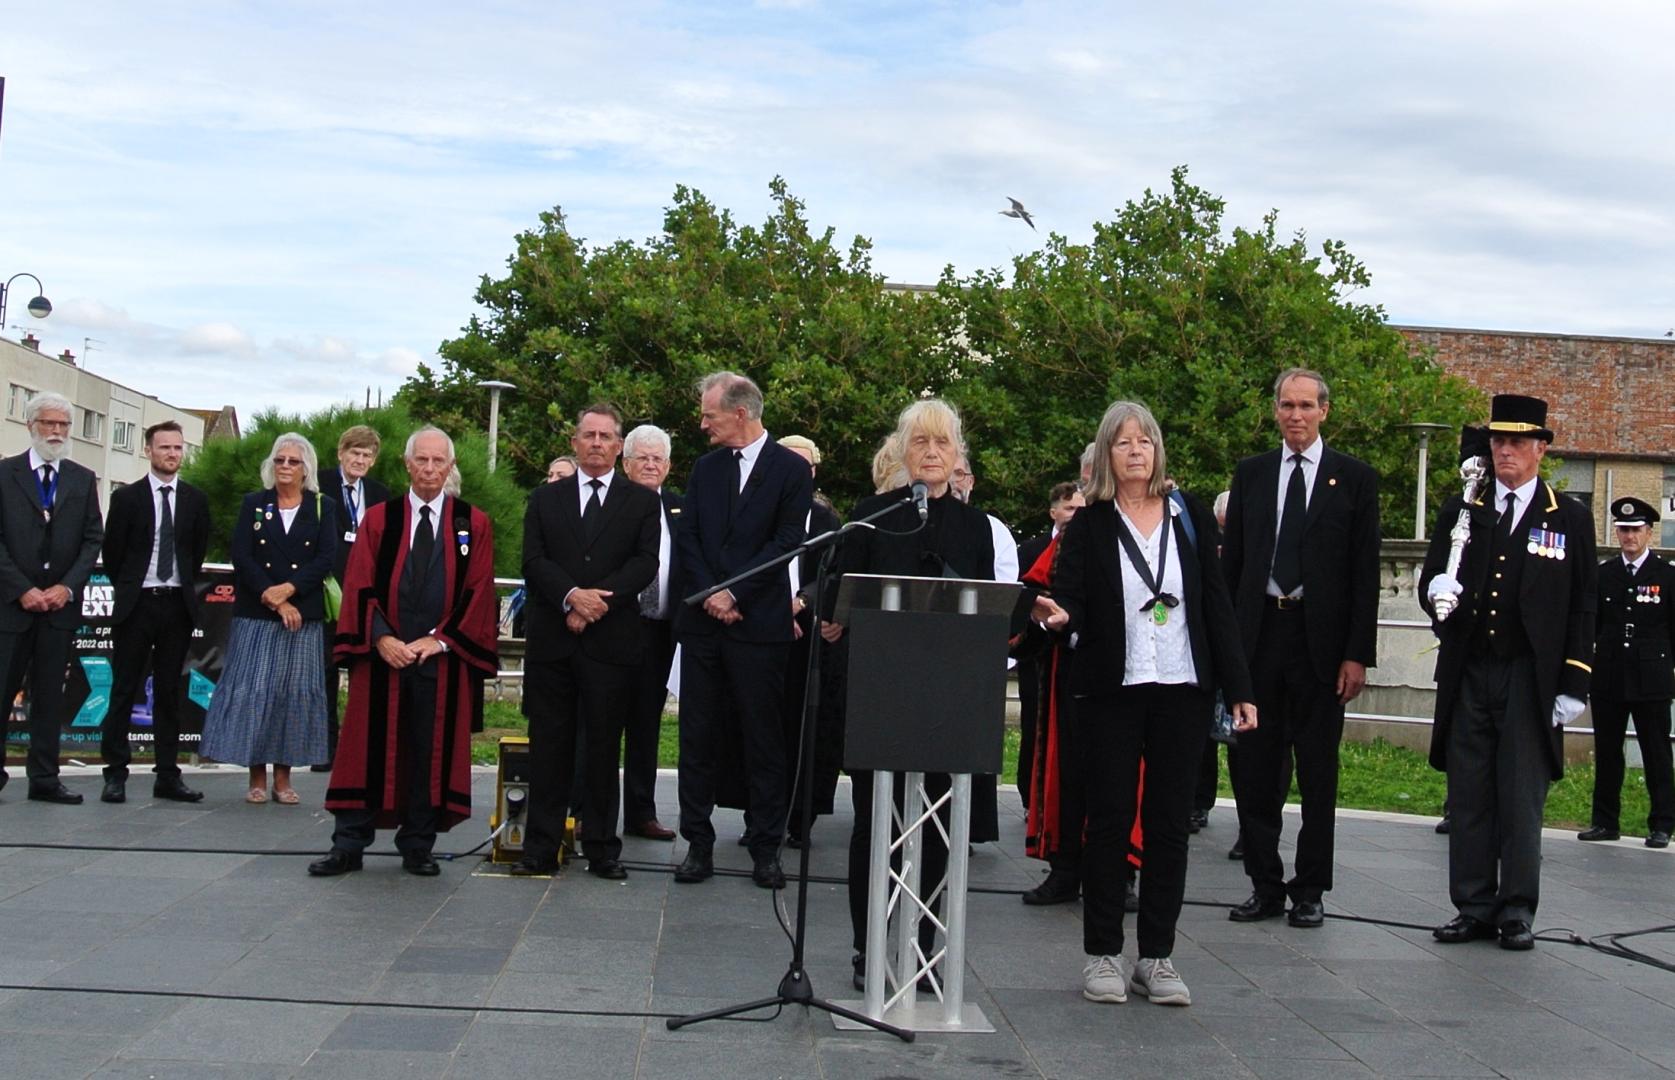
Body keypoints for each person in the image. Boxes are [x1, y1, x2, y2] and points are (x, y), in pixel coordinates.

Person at [1035, 401, 1255, 1007]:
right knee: (1107, 822)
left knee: (1168, 827)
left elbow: (1216, 607)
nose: (1136, 451)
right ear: (1106, 455)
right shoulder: (1089, 526)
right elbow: (1070, 598)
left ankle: (1156, 957)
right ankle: (1102, 953)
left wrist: (1239, 689)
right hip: (1114, 689)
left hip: (1181, 686)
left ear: (1158, 452)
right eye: (1124, 443)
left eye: (1146, 442)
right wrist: (1058, 616)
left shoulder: (1189, 518)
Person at [824, 398, 999, 990]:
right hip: (880, 693)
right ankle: (867, 947)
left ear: (958, 457)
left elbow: (985, 607)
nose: (931, 453)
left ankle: (924, 948)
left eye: (942, 444)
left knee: (939, 827)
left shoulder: (976, 526)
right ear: (902, 451)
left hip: (948, 697)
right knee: (875, 824)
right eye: (920, 443)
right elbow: (836, 599)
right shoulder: (873, 516)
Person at [1422, 395, 1596, 951]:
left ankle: (1517, 908)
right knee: (1469, 791)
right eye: (1498, 440)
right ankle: (1473, 905)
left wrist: (1574, 681)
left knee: (1521, 796)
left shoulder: (1566, 516)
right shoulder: (1463, 510)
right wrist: (1436, 594)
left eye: (1518, 441)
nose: (1505, 450)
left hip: (1529, 674)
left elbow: (1583, 605)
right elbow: (1435, 580)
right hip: (1472, 668)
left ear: (1541, 449)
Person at [1221, 368, 1380, 929]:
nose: (1296, 415)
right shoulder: (1253, 474)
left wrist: (1357, 653)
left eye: (1306, 405)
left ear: (1324, 411)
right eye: (1286, 405)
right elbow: (1232, 566)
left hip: (1321, 646)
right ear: (1275, 411)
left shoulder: (1354, 479)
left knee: (1318, 773)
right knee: (1255, 771)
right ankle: (1264, 884)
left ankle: (1310, 888)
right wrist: (1227, 652)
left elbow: (1365, 573)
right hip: (1261, 637)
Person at [311, 427, 499, 876]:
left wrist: (439, 639)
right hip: (384, 658)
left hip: (440, 658)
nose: (430, 469)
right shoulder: (380, 519)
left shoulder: (472, 523)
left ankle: (418, 845)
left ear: (450, 467)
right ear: (406, 464)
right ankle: (349, 844)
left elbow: (478, 591)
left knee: (427, 750)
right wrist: (381, 637)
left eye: (439, 462)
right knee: (364, 748)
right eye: (422, 461)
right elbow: (358, 583)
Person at [672, 372, 813, 890]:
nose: (702, 423)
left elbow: (786, 541)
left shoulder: (791, 470)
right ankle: (698, 844)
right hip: (705, 627)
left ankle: (765, 845)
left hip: (760, 626)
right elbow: (688, 537)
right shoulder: (705, 469)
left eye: (709, 414)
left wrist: (736, 593)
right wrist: (712, 593)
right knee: (697, 737)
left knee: (763, 739)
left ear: (740, 413)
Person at [514, 405, 661, 879]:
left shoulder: (641, 502)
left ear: (619, 446)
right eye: (588, 435)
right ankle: (541, 847)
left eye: (606, 436)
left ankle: (602, 847)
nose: (597, 443)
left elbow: (645, 562)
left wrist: (599, 603)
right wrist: (571, 598)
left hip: (611, 643)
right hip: (553, 644)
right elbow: (533, 561)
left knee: (602, 749)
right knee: (549, 747)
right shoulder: (544, 499)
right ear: (575, 442)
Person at [200, 433, 337, 804]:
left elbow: (326, 558)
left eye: (293, 461)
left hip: (302, 616)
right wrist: (274, 598)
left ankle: (284, 777)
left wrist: (290, 590)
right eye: (280, 460)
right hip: (257, 613)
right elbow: (242, 557)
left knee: (291, 696)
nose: (286, 467)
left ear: (306, 467)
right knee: (255, 692)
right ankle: (256, 776)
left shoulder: (323, 506)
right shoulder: (254, 504)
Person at [98, 421, 211, 804]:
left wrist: (177, 587)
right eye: (164, 447)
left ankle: (168, 775)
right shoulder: (128, 498)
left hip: (176, 604)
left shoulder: (195, 500)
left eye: (178, 448)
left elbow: (195, 553)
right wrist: (133, 587)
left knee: (168, 691)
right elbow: (114, 554)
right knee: (124, 688)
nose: (172, 454)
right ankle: (115, 774)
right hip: (137, 604)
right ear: (149, 450)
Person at [0, 392, 104, 803]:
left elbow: (93, 537)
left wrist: (67, 587)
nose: (57, 432)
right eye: (49, 423)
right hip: (12, 606)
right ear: (31, 426)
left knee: (48, 696)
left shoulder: (81, 477)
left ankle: (44, 777)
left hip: (59, 607)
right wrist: (21, 588)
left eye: (63, 424)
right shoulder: (5, 474)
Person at [1579, 496, 1673, 848]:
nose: (1629, 537)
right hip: (1610, 676)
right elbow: (1592, 627)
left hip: (1652, 679)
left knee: (1657, 753)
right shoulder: (1604, 575)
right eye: (1623, 530)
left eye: (1635, 530)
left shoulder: (1666, 576)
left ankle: (1662, 823)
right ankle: (1605, 821)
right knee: (1607, 752)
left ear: (1649, 532)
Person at [1016, 482, 1091, 904]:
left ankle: (1123, 872)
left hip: (1130, 672)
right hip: (1070, 667)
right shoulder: (1065, 542)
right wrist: (1050, 616)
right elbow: (1034, 591)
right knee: (1063, 769)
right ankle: (1065, 867)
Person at [777, 434, 844, 848]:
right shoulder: (758, 512)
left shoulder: (826, 521)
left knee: (809, 730)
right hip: (764, 631)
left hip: (811, 638)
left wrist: (800, 602)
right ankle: (760, 814)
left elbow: (833, 572)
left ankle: (802, 817)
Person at [315, 425, 391, 771]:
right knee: (326, 673)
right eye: (354, 453)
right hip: (328, 591)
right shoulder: (319, 485)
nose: (359, 460)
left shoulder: (379, 493)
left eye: (366, 455)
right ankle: (326, 748)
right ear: (340, 454)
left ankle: (363, 748)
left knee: (367, 671)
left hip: (367, 594)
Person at [619, 423, 681, 841]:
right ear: (625, 464)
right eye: (642, 457)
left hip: (661, 631)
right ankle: (589, 810)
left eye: (658, 458)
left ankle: (641, 813)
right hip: (615, 629)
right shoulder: (612, 505)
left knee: (646, 724)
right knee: (602, 724)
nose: (650, 464)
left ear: (668, 465)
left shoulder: (682, 508)